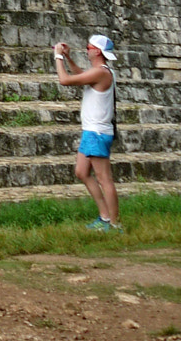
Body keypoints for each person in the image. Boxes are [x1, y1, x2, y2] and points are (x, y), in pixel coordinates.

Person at [55, 35, 120, 231]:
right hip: (91, 131)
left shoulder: (101, 73)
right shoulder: (99, 72)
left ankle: (114, 224)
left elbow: (65, 80)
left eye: (88, 47)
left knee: (104, 179)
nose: (86, 49)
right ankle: (104, 216)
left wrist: (57, 57)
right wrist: (69, 58)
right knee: (82, 172)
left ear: (97, 51)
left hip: (98, 132)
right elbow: (81, 75)